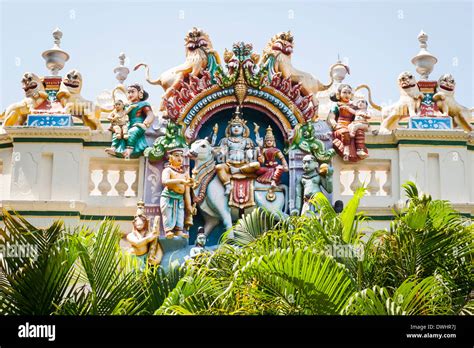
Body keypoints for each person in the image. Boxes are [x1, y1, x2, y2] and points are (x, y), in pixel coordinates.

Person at [215, 107, 260, 195]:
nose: (236, 128)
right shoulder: (225, 140)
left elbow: (253, 158)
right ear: (229, 129)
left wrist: (251, 154)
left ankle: (237, 170)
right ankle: (227, 184)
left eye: (239, 126)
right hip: (229, 165)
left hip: (244, 166)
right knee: (218, 167)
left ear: (244, 129)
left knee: (256, 165)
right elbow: (218, 158)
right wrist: (221, 154)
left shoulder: (247, 140)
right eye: (233, 126)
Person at [105, 84, 155, 159]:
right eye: (128, 92)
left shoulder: (143, 104)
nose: (130, 94)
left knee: (131, 132)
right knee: (118, 133)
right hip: (127, 124)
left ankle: (129, 150)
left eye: (132, 92)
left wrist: (145, 123)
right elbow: (118, 113)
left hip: (138, 124)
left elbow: (150, 114)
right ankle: (114, 148)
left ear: (140, 93)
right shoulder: (125, 106)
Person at [327, 84, 368, 162]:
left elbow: (358, 116)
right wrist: (333, 123)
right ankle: (346, 152)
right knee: (345, 133)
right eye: (344, 92)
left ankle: (360, 150)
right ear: (339, 94)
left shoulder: (353, 106)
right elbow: (331, 117)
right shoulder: (336, 105)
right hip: (340, 125)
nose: (347, 95)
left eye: (349, 93)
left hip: (351, 126)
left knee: (359, 132)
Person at [160, 149, 194, 239]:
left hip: (179, 197)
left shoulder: (185, 173)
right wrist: (180, 181)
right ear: (170, 158)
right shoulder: (168, 170)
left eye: (181, 156)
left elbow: (187, 192)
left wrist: (189, 206)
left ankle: (179, 231)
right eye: (176, 155)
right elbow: (165, 181)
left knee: (180, 214)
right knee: (168, 213)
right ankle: (168, 230)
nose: (180, 158)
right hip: (168, 196)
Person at [126, 203, 159, 270]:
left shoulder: (149, 234)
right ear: (134, 223)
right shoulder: (130, 235)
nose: (139, 222)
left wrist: (156, 259)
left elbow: (157, 248)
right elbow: (138, 243)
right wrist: (149, 238)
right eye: (137, 221)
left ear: (146, 222)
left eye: (142, 220)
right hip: (134, 258)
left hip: (145, 259)